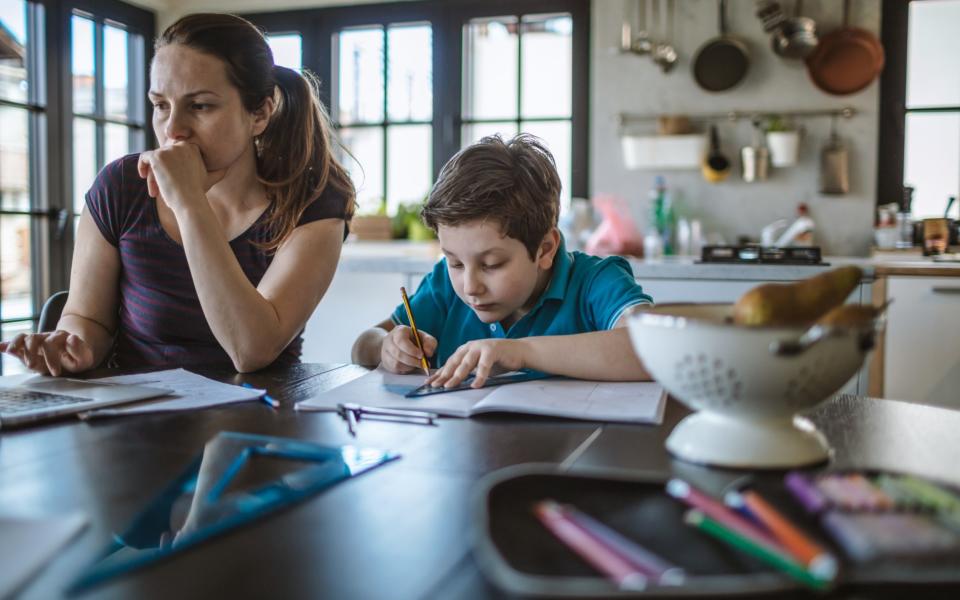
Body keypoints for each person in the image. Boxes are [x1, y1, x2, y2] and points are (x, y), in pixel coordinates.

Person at [0, 13, 354, 375]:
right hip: (136, 415)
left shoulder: (314, 201)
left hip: (260, 416)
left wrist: (189, 203)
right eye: (161, 105)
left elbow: (251, 349)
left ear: (260, 113)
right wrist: (74, 344)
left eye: (200, 106)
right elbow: (86, 318)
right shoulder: (121, 186)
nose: (173, 130)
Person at [352, 134, 652, 389]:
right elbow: (362, 345)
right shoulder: (444, 284)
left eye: (491, 264)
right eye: (455, 262)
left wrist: (519, 352)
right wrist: (387, 346)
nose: (470, 287)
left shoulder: (596, 281)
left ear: (545, 249)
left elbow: (651, 348)